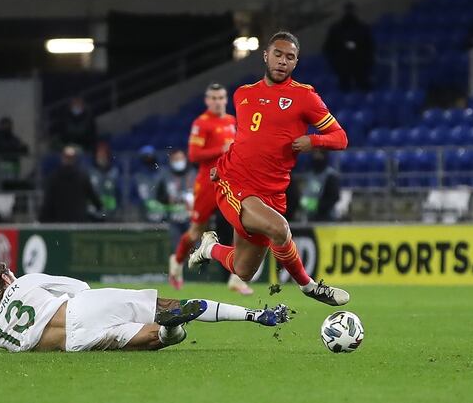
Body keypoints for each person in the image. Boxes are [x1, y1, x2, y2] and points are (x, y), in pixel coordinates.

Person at [188, 31, 350, 306]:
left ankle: (210, 248)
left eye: (290, 57)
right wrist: (219, 167)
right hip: (235, 183)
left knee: (244, 269)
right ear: (266, 56)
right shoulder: (243, 95)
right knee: (280, 229)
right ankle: (309, 287)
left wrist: (313, 140)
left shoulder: (305, 98)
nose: (282, 61)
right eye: (278, 54)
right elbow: (244, 141)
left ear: (296, 63)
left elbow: (340, 137)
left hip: (271, 192)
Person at [0, 263, 289, 353]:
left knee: (153, 341)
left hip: (77, 342)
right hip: (80, 309)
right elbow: (81, 288)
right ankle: (252, 314)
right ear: (6, 279)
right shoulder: (25, 282)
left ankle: (168, 330)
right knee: (164, 305)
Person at [168, 83, 252, 294]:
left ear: (226, 100)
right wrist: (220, 150)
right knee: (196, 230)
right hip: (207, 183)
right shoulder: (201, 123)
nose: (217, 102)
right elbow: (194, 155)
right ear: (207, 101)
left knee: (239, 225)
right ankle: (176, 262)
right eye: (213, 98)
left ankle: (236, 278)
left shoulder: (232, 121)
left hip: (229, 181)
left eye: (221, 98)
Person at [39, 145, 102, 223]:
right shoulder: (82, 177)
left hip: (60, 222)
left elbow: (47, 202)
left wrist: (41, 219)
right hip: (78, 221)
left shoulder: (53, 177)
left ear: (63, 159)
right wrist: (101, 209)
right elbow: (94, 198)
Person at [322, 2, 374, 92]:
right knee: (344, 87)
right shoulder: (336, 29)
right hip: (342, 65)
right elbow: (328, 47)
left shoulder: (363, 28)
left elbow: (370, 46)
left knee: (363, 87)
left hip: (360, 64)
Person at [0, 116, 29, 189]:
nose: (8, 127)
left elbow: (23, 148)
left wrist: (21, 147)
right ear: (1, 125)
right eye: (6, 125)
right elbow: (2, 148)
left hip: (12, 170)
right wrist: (16, 147)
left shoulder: (13, 137)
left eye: (9, 125)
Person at [300, 150, 341, 222]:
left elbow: (333, 198)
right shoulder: (309, 175)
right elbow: (303, 197)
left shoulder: (330, 176)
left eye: (319, 154)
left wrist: (313, 205)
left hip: (327, 219)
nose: (316, 157)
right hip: (309, 218)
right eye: (315, 154)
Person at [87, 141, 121, 221]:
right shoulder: (89, 172)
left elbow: (119, 193)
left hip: (110, 213)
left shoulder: (115, 172)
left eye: (104, 154)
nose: (101, 157)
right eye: (99, 154)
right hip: (92, 213)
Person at [135, 145, 167, 222]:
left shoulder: (163, 173)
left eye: (150, 155)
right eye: (145, 156)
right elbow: (134, 196)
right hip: (144, 215)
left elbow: (167, 192)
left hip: (163, 214)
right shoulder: (138, 177)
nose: (148, 158)